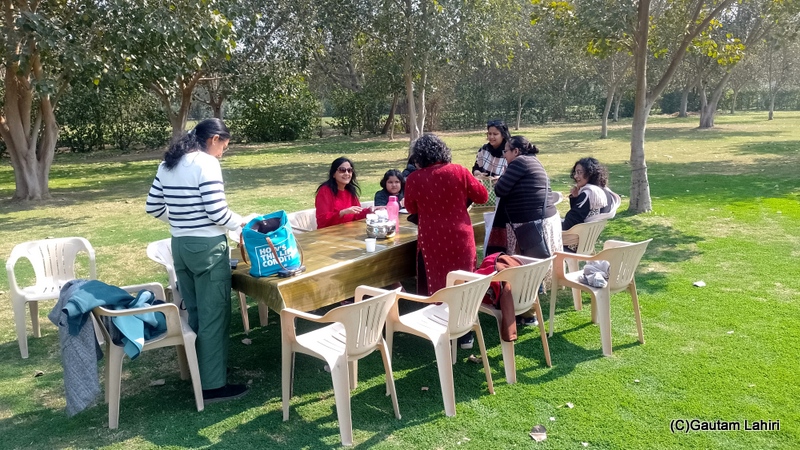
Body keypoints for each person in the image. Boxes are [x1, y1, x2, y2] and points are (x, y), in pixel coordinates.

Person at [145, 118, 248, 403]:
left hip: (180, 245)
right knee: (215, 314)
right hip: (207, 247)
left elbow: (152, 206)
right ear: (214, 139)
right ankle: (213, 386)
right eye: (223, 146)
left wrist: (182, 219)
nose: (222, 153)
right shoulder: (206, 163)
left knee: (197, 312)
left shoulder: (168, 163)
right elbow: (217, 213)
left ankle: (204, 370)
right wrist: (243, 223)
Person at [404, 134, 488, 349]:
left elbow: (411, 209)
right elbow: (482, 196)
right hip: (461, 236)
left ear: (419, 156)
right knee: (463, 282)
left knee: (438, 282)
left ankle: (440, 330)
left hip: (432, 239)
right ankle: (465, 333)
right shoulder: (459, 171)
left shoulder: (415, 178)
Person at [489, 135, 562, 326]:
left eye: (506, 151)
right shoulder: (532, 161)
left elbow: (500, 189)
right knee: (530, 267)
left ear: (516, 151)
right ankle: (527, 309)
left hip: (530, 224)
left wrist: (500, 180)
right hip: (541, 221)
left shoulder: (520, 162)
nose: (504, 155)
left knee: (524, 267)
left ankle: (528, 313)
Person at [315, 157, 372, 229]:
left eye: (349, 170)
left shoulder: (350, 190)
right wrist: (342, 213)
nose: (347, 173)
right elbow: (322, 220)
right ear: (333, 174)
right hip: (329, 234)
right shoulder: (325, 191)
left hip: (348, 232)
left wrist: (371, 210)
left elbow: (357, 215)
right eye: (342, 170)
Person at [561, 157, 614, 231]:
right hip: (589, 236)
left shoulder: (589, 194)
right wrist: (576, 198)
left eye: (579, 172)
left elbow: (571, 222)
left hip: (575, 238)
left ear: (590, 173)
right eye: (575, 173)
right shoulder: (606, 193)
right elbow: (581, 214)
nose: (575, 176)